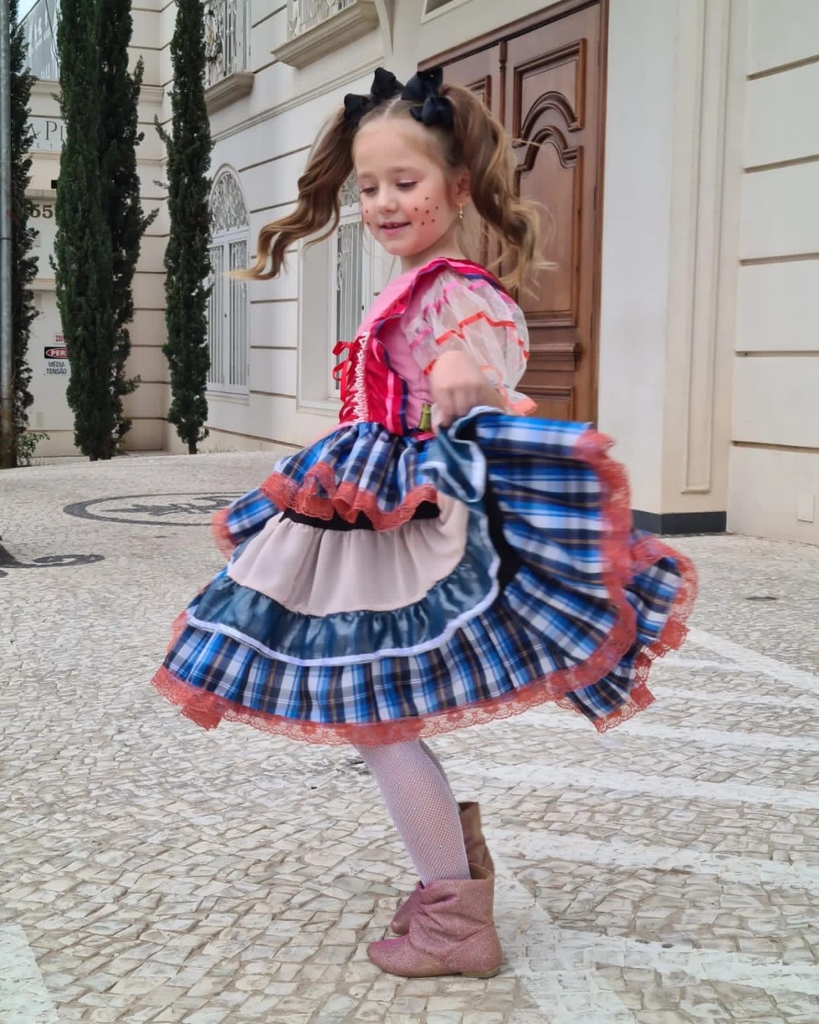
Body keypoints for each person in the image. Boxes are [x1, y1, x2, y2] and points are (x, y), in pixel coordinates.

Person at [152, 67, 696, 980]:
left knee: (377, 718)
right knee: (379, 711)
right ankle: (455, 868)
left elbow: (476, 344)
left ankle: (455, 918)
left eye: (404, 183)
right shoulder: (410, 282)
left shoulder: (451, 289)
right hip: (366, 517)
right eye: (367, 187)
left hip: (398, 526)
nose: (381, 202)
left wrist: (456, 366)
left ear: (455, 186)